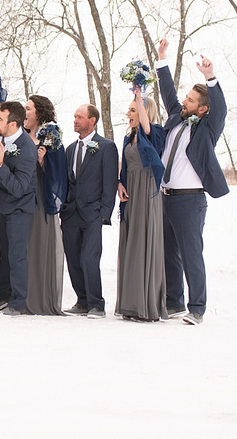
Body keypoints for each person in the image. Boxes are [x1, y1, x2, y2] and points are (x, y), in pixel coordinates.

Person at [156, 39, 229, 325]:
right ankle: (173, 303)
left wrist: (210, 78)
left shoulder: (207, 129)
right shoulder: (176, 118)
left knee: (190, 254)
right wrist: (162, 59)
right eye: (185, 98)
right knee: (168, 253)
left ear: (202, 109)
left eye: (190, 100)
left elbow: (220, 109)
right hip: (166, 197)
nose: (184, 102)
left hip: (190, 200)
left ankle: (196, 307)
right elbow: (168, 94)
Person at [60, 104, 119, 318]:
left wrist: (105, 213)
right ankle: (82, 301)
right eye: (74, 116)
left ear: (92, 120)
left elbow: (110, 182)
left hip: (94, 213)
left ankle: (97, 304)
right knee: (74, 258)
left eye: (80, 117)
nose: (75, 120)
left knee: (89, 258)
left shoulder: (106, 147)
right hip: (71, 213)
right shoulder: (69, 149)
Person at [116, 85, 167, 322]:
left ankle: (145, 304)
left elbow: (146, 127)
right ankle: (130, 303)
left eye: (133, 109)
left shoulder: (155, 131)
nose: (129, 113)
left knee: (143, 240)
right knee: (131, 242)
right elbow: (124, 165)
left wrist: (140, 96)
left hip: (147, 191)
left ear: (144, 111)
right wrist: (120, 184)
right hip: (131, 191)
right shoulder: (128, 136)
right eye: (129, 109)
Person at [0, 101, 37, 314]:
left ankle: (18, 303)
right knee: (4, 253)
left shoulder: (27, 150)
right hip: (5, 207)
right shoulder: (2, 135)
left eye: (0, 119)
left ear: (14, 124)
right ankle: (1, 296)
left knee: (17, 256)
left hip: (20, 209)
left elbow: (19, 188)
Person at [24, 95, 66, 316]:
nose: (24, 112)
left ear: (39, 113)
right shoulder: (20, 135)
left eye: (28, 108)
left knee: (38, 242)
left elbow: (59, 174)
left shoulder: (50, 137)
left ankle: (39, 297)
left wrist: (43, 162)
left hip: (41, 195)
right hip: (20, 196)